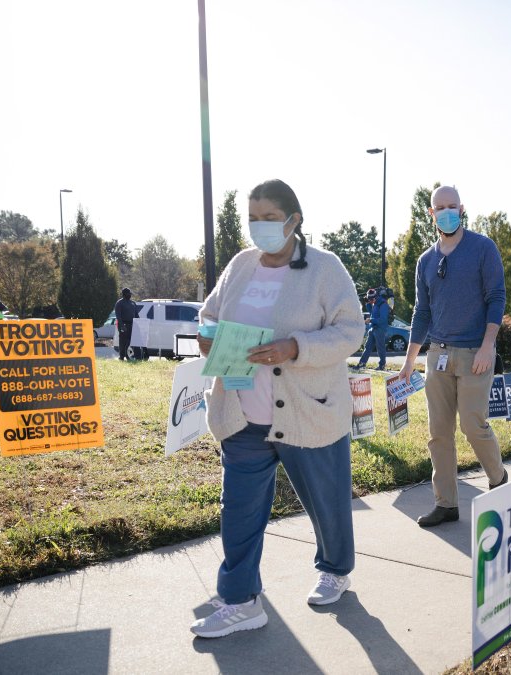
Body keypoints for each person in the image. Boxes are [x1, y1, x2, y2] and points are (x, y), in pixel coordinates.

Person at [190, 179, 363, 639]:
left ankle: (335, 570)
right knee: (239, 512)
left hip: (308, 412)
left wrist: (295, 347)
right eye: (253, 218)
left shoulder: (326, 269)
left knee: (326, 503)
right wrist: (208, 333)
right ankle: (241, 598)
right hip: (242, 412)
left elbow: (351, 332)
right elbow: (208, 313)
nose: (259, 227)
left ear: (294, 220)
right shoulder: (240, 265)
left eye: (269, 218)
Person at [396, 185, 508, 527]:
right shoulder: (426, 261)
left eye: (452, 206)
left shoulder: (482, 248)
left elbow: (497, 297)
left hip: (475, 353)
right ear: (431, 213)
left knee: (473, 425)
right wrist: (410, 359)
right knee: (438, 433)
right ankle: (446, 503)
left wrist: (489, 345)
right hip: (438, 356)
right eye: (439, 207)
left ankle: (499, 482)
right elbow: (422, 312)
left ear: (462, 209)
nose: (446, 212)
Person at [355, 288, 389, 370]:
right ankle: (362, 363)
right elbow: (372, 313)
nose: (370, 301)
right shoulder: (373, 303)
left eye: (371, 300)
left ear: (375, 297)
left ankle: (382, 365)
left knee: (380, 347)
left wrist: (371, 320)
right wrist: (367, 304)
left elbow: (383, 319)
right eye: (369, 299)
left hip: (380, 329)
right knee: (367, 346)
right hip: (373, 327)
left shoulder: (383, 304)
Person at [114, 288, 138, 361]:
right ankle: (121, 356)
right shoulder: (119, 303)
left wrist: (140, 323)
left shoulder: (133, 303)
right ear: (124, 294)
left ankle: (128, 356)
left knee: (130, 341)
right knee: (123, 341)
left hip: (132, 325)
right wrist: (122, 325)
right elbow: (118, 316)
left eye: (130, 293)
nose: (129, 295)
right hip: (123, 324)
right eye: (128, 293)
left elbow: (136, 315)